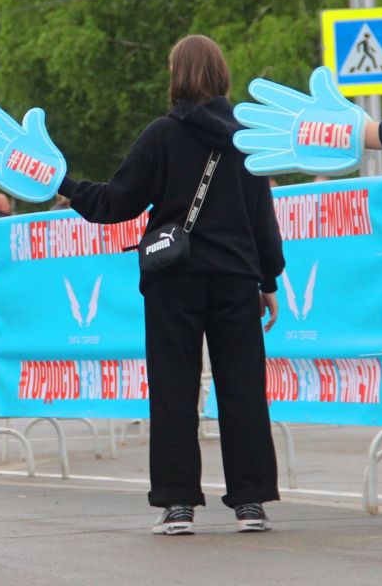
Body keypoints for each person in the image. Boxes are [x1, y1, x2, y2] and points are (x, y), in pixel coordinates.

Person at [58, 35, 284, 535]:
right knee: (243, 388)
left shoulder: (161, 136)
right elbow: (261, 216)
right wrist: (268, 278)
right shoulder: (249, 137)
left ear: (176, 75)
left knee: (174, 388)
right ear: (222, 74)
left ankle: (178, 504)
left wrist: (65, 183)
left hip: (174, 280)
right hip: (235, 278)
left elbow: (116, 202)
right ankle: (250, 503)